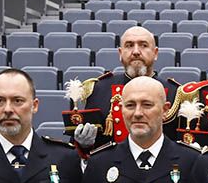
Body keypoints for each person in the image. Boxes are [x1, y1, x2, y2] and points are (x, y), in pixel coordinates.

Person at [71, 26, 176, 154]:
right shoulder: (99, 90)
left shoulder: (175, 92)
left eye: (143, 45)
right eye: (129, 45)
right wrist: (84, 145)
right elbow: (83, 148)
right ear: (120, 53)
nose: (136, 51)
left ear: (155, 53)